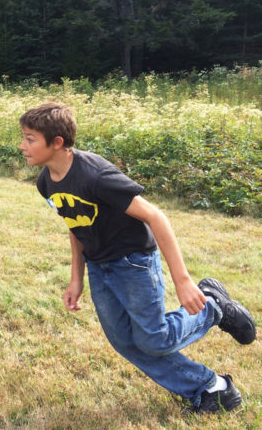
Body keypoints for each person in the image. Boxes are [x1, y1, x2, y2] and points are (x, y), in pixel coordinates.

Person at [19, 101, 256, 413]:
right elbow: (75, 224)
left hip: (133, 263)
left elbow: (156, 217)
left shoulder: (96, 176)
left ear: (57, 142)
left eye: (30, 138)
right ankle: (211, 387)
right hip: (99, 266)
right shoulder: (46, 182)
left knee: (153, 339)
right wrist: (76, 279)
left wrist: (183, 282)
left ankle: (212, 306)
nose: (22, 146)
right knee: (125, 341)